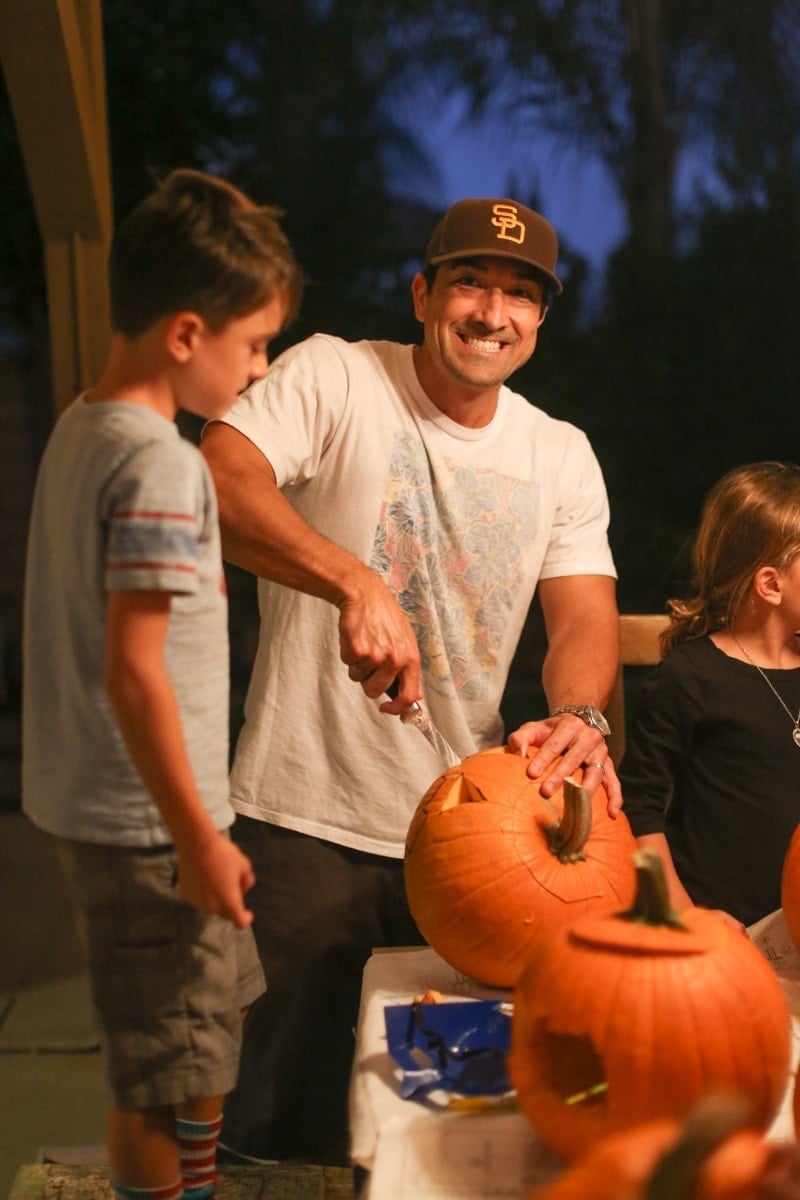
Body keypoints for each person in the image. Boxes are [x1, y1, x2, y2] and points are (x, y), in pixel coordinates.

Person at [200, 195, 621, 1165]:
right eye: (470, 281)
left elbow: (585, 618)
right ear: (422, 293)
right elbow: (219, 479)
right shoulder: (337, 377)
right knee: (273, 1136)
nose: (491, 310)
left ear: (540, 320)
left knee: (442, 1129)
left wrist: (579, 712)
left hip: (469, 854)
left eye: (520, 294)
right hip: (301, 831)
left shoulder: (558, 454)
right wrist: (350, 577)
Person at [22, 168, 302, 1200]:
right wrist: (195, 839)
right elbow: (133, 669)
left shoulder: (80, 424)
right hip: (150, 825)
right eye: (254, 345)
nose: (261, 370)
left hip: (126, 809)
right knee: (152, 1069)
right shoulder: (159, 469)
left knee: (203, 1019)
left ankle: (198, 1180)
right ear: (186, 333)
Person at [620, 461, 800, 932]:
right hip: (722, 935)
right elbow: (638, 809)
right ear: (771, 585)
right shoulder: (691, 677)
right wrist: (683, 917)